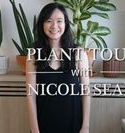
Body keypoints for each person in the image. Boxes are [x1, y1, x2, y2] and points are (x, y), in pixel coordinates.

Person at [26, 3, 91, 133]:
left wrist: (85, 127)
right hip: (43, 124)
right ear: (42, 25)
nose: (54, 26)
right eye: (49, 21)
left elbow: (86, 93)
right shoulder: (33, 55)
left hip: (73, 124)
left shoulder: (78, 53)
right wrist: (35, 130)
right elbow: (30, 95)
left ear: (66, 24)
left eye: (59, 21)